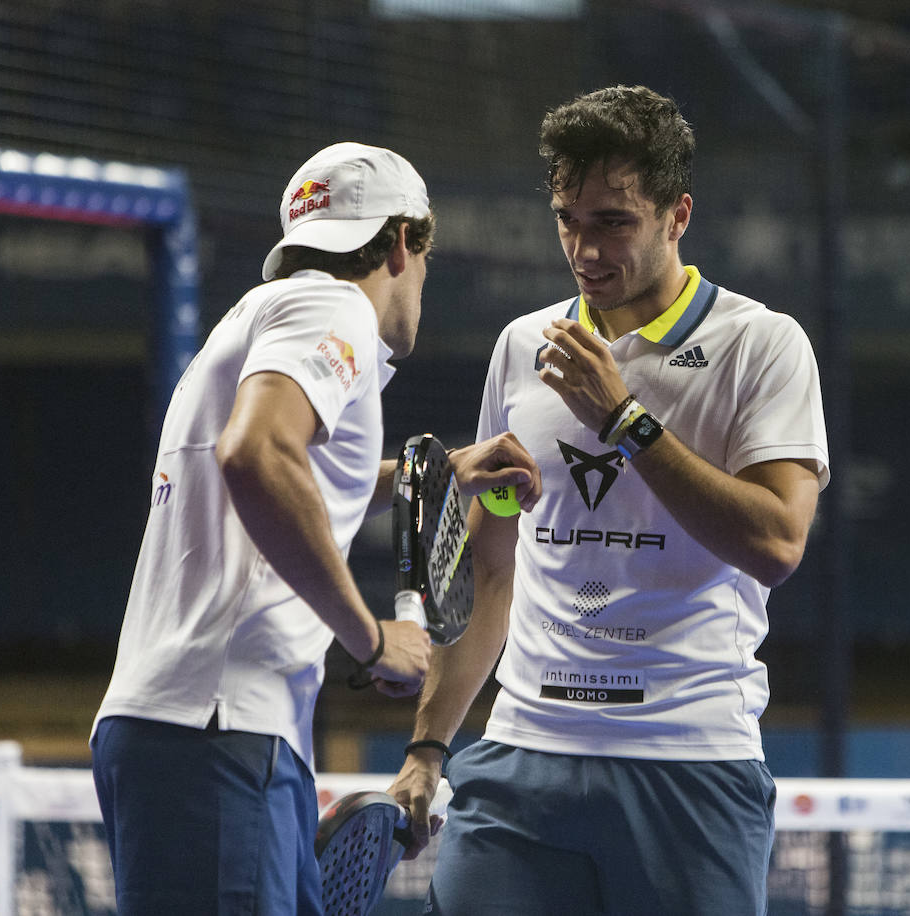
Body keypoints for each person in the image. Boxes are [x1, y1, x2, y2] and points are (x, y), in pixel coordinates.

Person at [388, 85, 830, 915]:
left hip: (689, 762)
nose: (585, 249)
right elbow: (493, 571)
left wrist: (623, 418)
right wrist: (427, 747)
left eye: (612, 222)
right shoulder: (524, 346)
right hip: (522, 757)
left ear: (678, 215)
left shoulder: (762, 345)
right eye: (567, 219)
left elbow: (776, 543)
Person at [90, 141, 539, 914]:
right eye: (424, 256)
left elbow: (292, 473)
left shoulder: (257, 318)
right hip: (221, 728)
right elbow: (257, 455)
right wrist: (369, 637)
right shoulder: (333, 307)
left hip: (196, 725)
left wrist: (437, 473)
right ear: (403, 243)